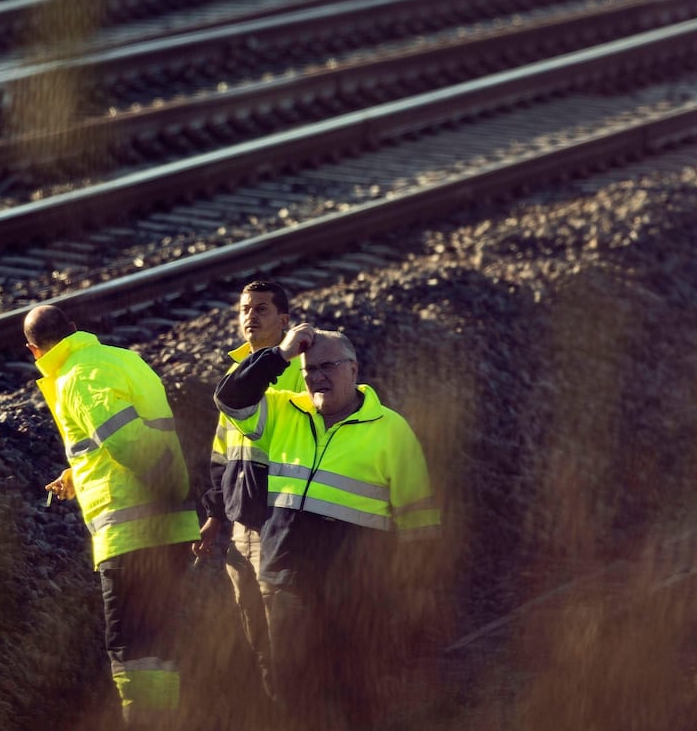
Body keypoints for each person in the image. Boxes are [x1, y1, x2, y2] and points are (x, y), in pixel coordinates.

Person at [214, 324, 442, 729]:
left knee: (355, 693)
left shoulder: (392, 430)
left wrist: (413, 595)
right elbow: (228, 397)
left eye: (328, 366)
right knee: (296, 692)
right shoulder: (285, 411)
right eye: (308, 370)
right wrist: (280, 356)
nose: (317, 376)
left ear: (353, 370)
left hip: (356, 591)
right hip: (287, 582)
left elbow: (419, 522)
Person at [24, 304, 201, 728]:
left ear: (33, 350)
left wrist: (167, 486)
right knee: (158, 648)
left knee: (132, 653)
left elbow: (124, 439)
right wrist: (76, 475)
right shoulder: (122, 359)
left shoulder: (78, 375)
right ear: (73, 329)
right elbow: (111, 437)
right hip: (164, 531)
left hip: (134, 535)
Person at [191, 280, 303, 702]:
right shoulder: (235, 375)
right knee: (256, 632)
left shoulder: (300, 369)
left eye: (261, 309)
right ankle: (277, 710)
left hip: (280, 521)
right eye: (244, 309)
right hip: (241, 525)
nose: (250, 316)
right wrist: (215, 517)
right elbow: (222, 455)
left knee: (284, 633)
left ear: (284, 320)